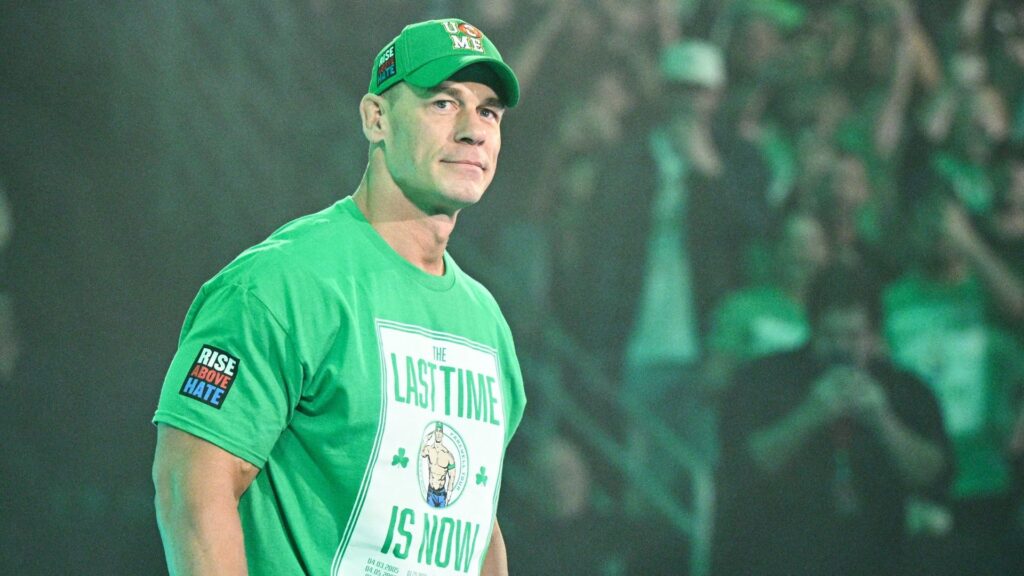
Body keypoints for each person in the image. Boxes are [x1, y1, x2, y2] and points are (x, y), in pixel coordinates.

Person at [151, 18, 527, 576]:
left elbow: (476, 521)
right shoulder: (281, 283)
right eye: (444, 103)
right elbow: (191, 482)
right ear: (376, 118)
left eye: (489, 112)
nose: (474, 130)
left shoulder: (486, 322)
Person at [715, 264, 952, 576]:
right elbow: (741, 467)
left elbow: (934, 474)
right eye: (829, 335)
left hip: (878, 556)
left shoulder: (905, 388)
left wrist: (883, 420)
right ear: (811, 327)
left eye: (853, 336)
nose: (840, 347)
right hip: (782, 554)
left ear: (874, 335)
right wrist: (807, 416)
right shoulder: (763, 380)